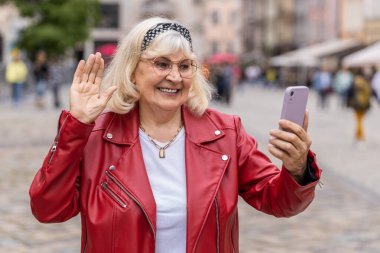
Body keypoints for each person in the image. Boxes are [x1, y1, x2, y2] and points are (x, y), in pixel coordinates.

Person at [29, 17, 322, 253]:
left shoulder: (226, 133)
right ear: (132, 71)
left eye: (184, 66)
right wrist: (75, 127)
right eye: (162, 64)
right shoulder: (95, 135)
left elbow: (279, 200)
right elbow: (48, 209)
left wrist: (297, 169)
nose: (175, 76)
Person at [347, 70, 372, 142]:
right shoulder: (365, 82)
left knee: (358, 119)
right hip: (364, 104)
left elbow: (349, 92)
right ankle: (359, 134)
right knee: (360, 119)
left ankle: (360, 134)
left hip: (356, 103)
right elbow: (370, 92)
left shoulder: (354, 82)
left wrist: (348, 102)